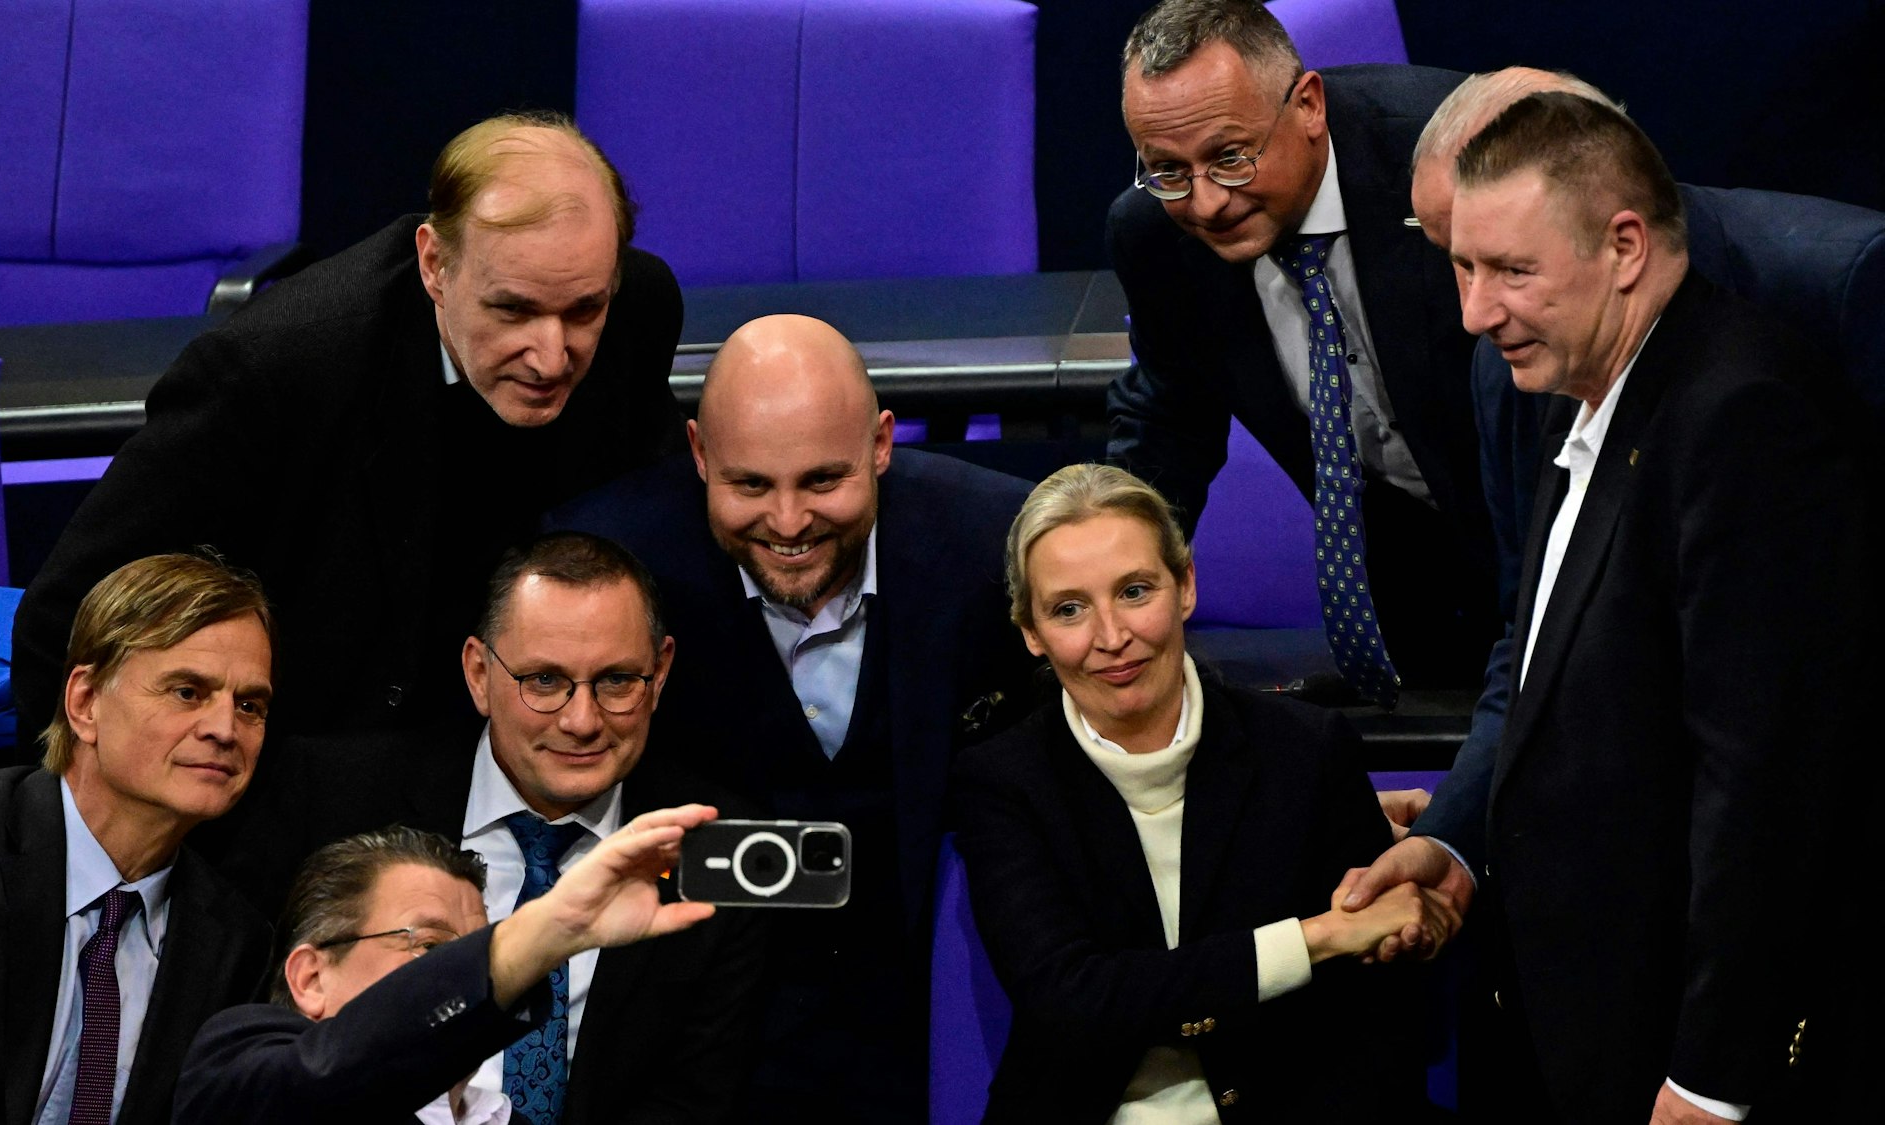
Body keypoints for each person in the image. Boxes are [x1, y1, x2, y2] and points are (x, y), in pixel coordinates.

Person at [1358, 93, 1859, 1123]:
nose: (1474, 312)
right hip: (1576, 1020)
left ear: (1624, 246)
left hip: (1683, 1055)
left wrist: (1713, 1075)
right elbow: (1540, 661)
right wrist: (1458, 843)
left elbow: (1762, 785)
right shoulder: (1579, 385)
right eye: (1461, 267)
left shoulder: (1742, 419)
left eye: (1511, 271)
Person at [12, 111, 687, 746]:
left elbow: (650, 533)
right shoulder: (276, 370)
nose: (551, 356)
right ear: (435, 265)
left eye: (582, 311)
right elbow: (64, 621)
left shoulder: (638, 309)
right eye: (513, 310)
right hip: (323, 753)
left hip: (533, 732)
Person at [544, 313, 1038, 1120]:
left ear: (882, 444)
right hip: (705, 1026)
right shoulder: (607, 562)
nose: (787, 522)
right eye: (748, 486)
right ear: (699, 454)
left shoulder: (999, 547)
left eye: (821, 481)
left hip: (939, 1011)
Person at [951, 463, 1446, 1121]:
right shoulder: (1002, 781)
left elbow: (1378, 1017)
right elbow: (1071, 998)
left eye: (1134, 591)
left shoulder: (1306, 750)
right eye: (1069, 609)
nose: (1111, 637)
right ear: (1031, 632)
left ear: (1185, 585)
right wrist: (1315, 939)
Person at [219, 531, 765, 1124]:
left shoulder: (713, 847)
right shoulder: (332, 797)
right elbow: (249, 1051)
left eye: (616, 680)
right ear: (479, 673)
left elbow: (694, 1102)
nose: (582, 721)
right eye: (544, 681)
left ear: (659, 674)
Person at [1107, 0, 1493, 703]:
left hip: (1558, 538)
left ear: (1308, 105)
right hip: (1410, 597)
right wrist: (1113, 575)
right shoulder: (1155, 236)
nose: (1205, 203)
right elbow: (1169, 422)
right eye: (1167, 170)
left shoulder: (1461, 161)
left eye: (1230, 158)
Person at [0, 553, 274, 1124]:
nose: (225, 729)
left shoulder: (236, 944)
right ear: (85, 702)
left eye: (250, 705)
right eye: (187, 692)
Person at [177, 812, 722, 1124]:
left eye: (473, 948)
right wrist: (550, 928)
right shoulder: (239, 1068)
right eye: (432, 948)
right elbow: (323, 1082)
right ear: (311, 978)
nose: (463, 975)